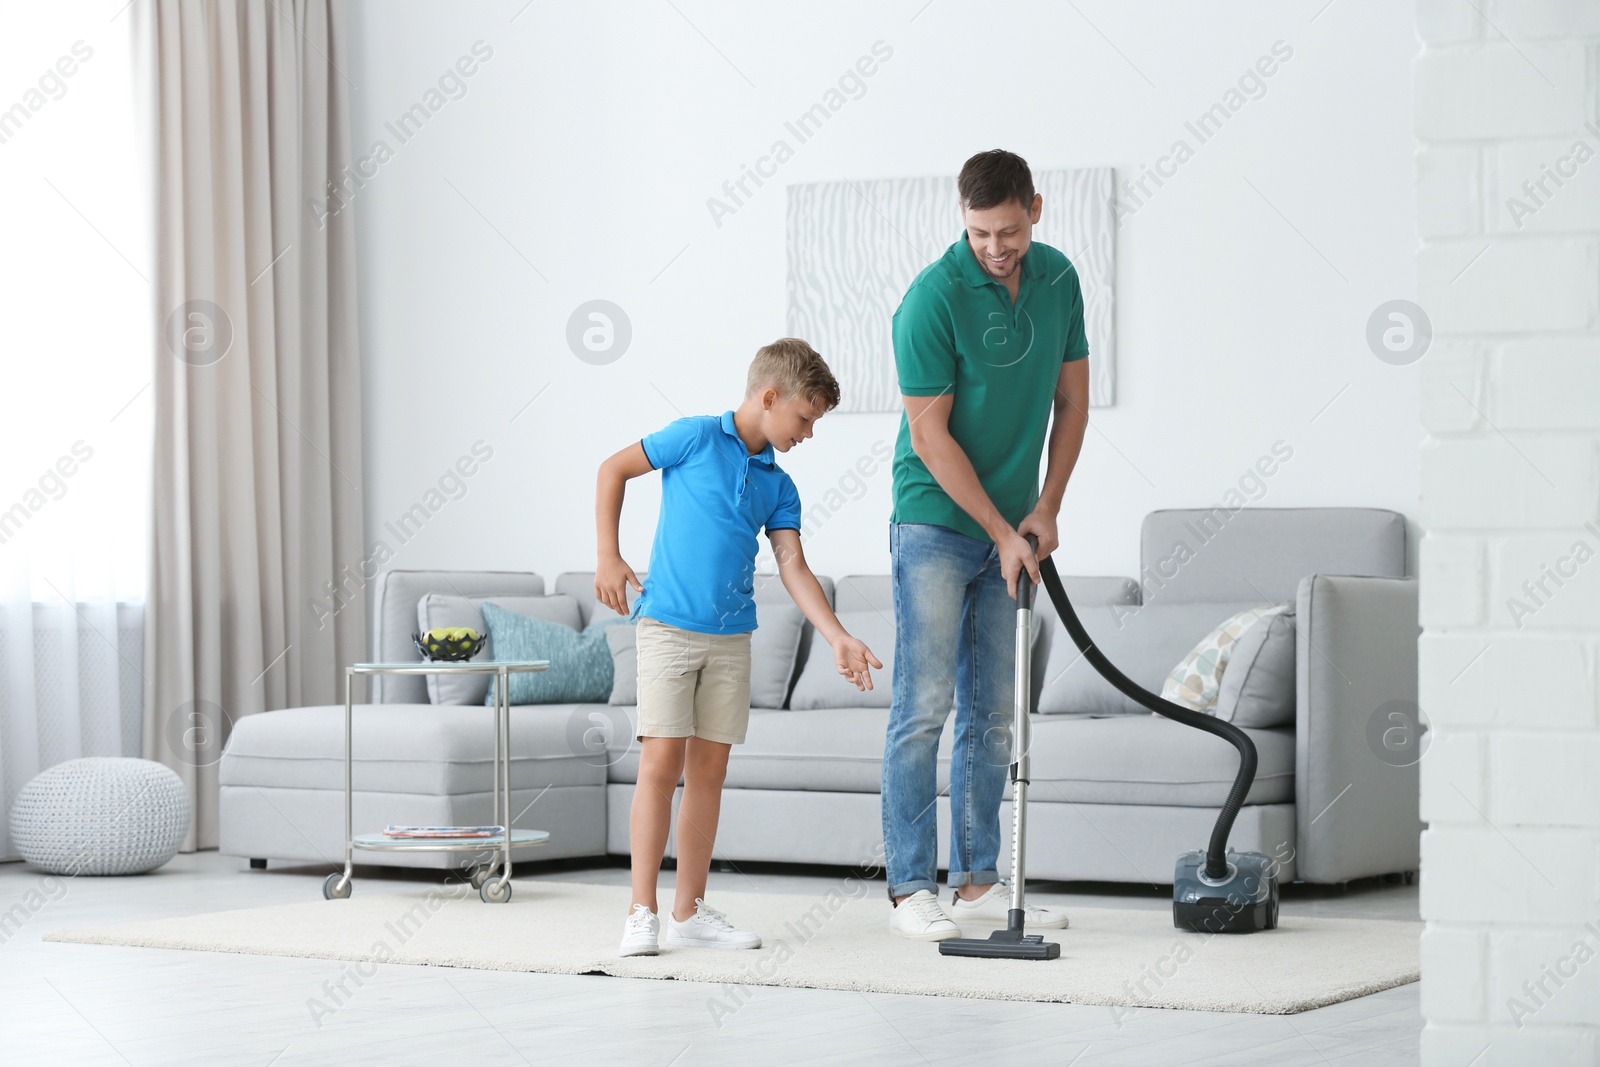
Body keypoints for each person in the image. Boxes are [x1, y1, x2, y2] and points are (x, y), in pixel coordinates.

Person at [595, 337, 884, 958]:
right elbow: (612, 469)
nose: (808, 433)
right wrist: (608, 555)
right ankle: (641, 911)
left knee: (709, 774)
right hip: (668, 627)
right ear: (770, 397)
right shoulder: (694, 437)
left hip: (731, 640)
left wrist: (836, 635)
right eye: (805, 418)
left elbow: (793, 567)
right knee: (659, 765)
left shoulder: (778, 486)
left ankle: (688, 911)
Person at [882, 149, 1089, 940]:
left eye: (1007, 230)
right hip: (934, 519)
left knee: (993, 715)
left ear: (1035, 207)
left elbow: (1071, 403)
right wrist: (1003, 531)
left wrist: (1046, 506)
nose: (995, 247)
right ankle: (909, 888)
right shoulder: (931, 299)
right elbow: (931, 440)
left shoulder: (1060, 279)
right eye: (978, 233)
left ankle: (975, 883)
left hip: (1012, 524)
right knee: (924, 704)